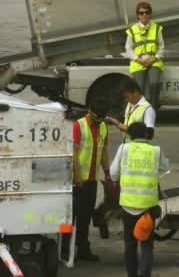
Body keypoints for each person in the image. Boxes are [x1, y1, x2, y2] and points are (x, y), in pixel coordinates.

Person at [110, 122, 170, 277]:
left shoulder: (124, 149)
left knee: (129, 245)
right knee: (147, 245)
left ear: (129, 135)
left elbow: (113, 173)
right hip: (148, 208)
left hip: (128, 206)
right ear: (146, 135)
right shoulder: (155, 151)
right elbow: (164, 168)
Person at [67, 99, 111, 262]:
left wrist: (107, 173)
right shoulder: (79, 126)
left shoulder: (103, 126)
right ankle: (66, 250)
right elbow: (73, 153)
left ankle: (83, 249)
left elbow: (103, 151)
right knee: (70, 218)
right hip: (77, 181)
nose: (99, 120)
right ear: (90, 111)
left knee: (85, 217)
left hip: (92, 180)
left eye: (101, 118)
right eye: (97, 117)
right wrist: (77, 175)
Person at [125, 1, 166, 110]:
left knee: (154, 84)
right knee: (138, 89)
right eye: (141, 13)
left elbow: (162, 48)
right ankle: (139, 111)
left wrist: (154, 59)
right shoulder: (132, 30)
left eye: (147, 12)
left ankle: (152, 110)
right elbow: (128, 49)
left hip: (154, 61)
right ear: (138, 15)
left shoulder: (157, 28)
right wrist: (138, 60)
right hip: (138, 62)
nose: (144, 15)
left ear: (150, 14)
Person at [109, 78, 156, 143]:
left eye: (127, 96)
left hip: (138, 149)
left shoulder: (148, 109)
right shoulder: (130, 104)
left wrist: (125, 128)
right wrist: (118, 124)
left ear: (135, 92)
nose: (126, 99)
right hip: (127, 147)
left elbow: (149, 135)